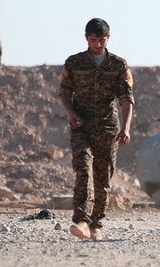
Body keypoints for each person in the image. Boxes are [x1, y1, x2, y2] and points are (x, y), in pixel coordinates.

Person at [59, 18, 134, 241]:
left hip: (108, 127)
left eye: (101, 40)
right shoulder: (74, 63)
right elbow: (64, 93)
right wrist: (70, 112)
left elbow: (126, 98)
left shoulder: (119, 65)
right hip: (81, 124)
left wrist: (127, 126)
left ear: (108, 39)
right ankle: (81, 220)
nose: (97, 44)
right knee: (82, 168)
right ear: (86, 38)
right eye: (93, 40)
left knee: (103, 178)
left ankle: (96, 224)